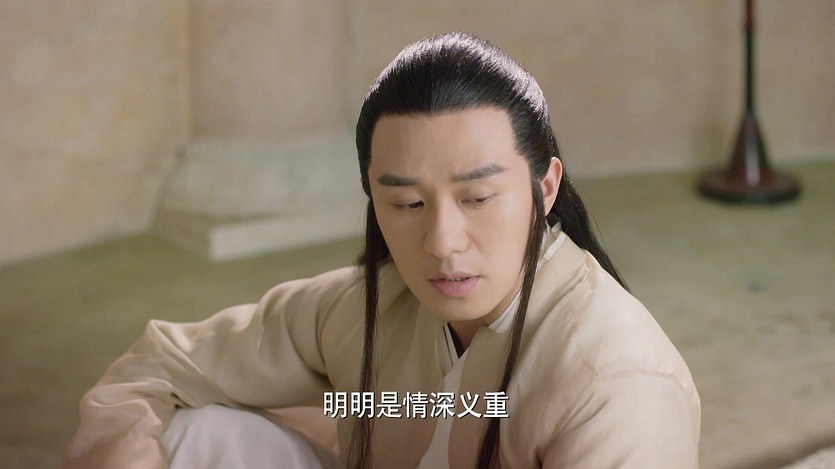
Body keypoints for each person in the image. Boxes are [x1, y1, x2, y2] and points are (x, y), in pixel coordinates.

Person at [64, 32, 700, 468]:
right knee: (197, 438)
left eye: (478, 197)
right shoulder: (373, 304)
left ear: (546, 186)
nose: (442, 243)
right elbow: (162, 364)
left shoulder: (619, 384)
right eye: (407, 203)